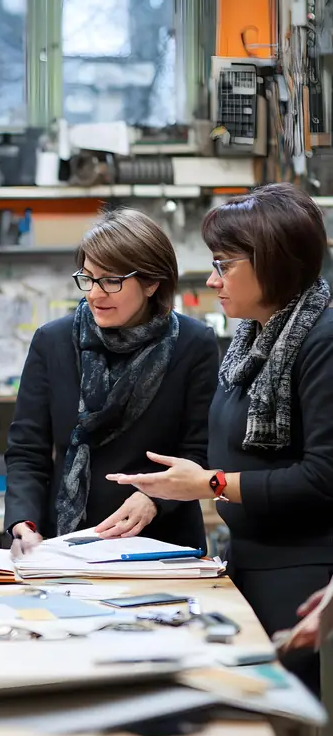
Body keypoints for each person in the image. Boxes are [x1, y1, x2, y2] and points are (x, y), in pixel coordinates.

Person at [107, 183, 333, 694]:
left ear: (271, 262)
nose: (212, 280)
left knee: (281, 733)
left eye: (223, 265)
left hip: (303, 575)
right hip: (252, 562)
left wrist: (210, 483)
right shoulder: (254, 343)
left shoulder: (321, 343)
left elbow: (323, 479)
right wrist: (157, 493)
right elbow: (233, 450)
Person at [4, 207, 219, 553]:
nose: (94, 294)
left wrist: (153, 499)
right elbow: (27, 451)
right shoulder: (54, 341)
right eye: (87, 278)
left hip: (160, 543)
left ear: (151, 282)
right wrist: (23, 524)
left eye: (111, 281)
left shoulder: (193, 344)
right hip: (62, 546)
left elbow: (200, 449)